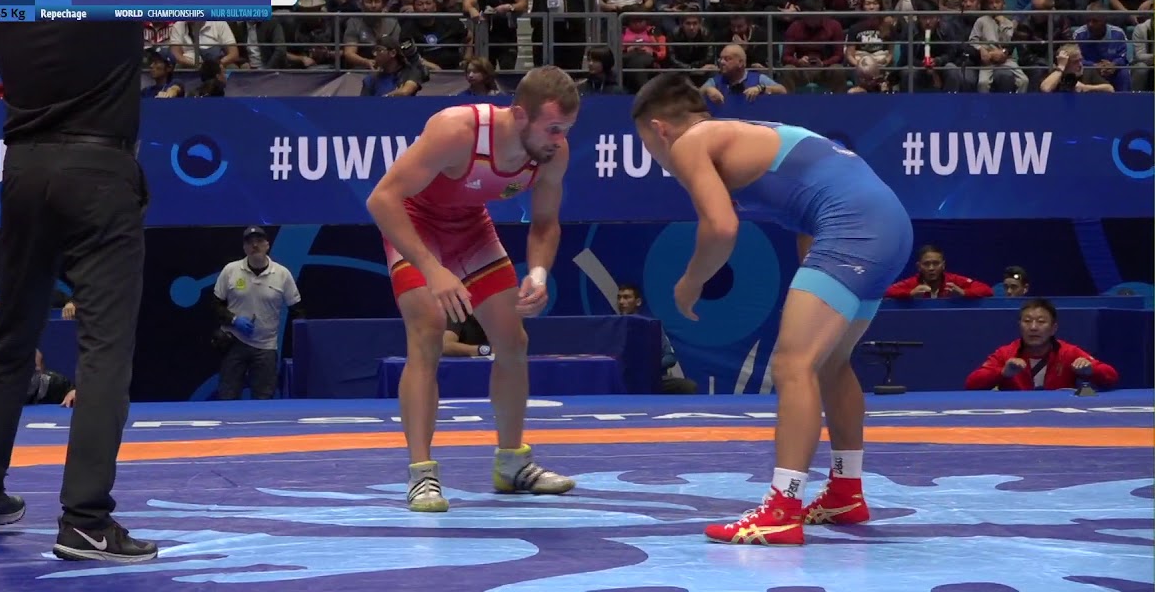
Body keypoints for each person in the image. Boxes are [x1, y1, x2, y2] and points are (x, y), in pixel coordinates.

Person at [0, 0, 242, 564]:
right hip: (99, 172)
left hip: (23, 167)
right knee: (105, 349)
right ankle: (85, 519)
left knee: (10, 339)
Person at [630, 73, 914, 546]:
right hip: (888, 225)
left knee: (791, 364)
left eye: (646, 144)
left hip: (854, 229)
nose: (656, 156)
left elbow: (722, 228)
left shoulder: (690, 143)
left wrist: (691, 281)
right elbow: (813, 203)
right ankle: (845, 492)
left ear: (659, 129)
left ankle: (782, 510)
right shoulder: (748, 131)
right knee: (831, 363)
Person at [365, 66, 581, 512]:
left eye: (565, 129)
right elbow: (382, 199)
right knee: (428, 331)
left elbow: (545, 223)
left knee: (513, 341)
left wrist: (539, 274)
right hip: (415, 224)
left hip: (469, 228)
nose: (559, 140)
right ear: (519, 115)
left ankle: (512, 464)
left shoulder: (551, 154)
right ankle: (422, 474)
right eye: (553, 128)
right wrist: (431, 269)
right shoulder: (458, 130)